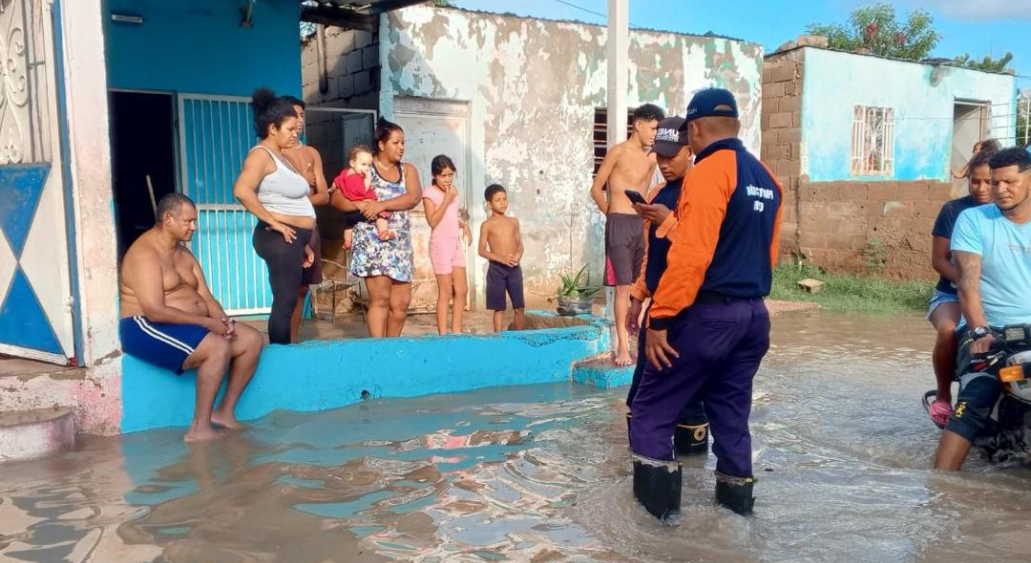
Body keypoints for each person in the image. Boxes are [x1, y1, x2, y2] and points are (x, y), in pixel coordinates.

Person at [628, 89, 782, 520]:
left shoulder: (709, 172)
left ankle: (656, 530)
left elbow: (691, 257)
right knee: (731, 419)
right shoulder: (769, 178)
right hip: (754, 317)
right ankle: (736, 523)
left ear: (694, 129)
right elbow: (769, 255)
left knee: (650, 410)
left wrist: (660, 319)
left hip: (707, 316)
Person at [119, 193, 264, 442]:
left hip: (183, 324)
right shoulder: (145, 254)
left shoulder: (184, 254)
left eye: (194, 221)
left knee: (251, 339)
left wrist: (223, 321)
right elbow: (154, 310)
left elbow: (206, 297)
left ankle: (224, 412)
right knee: (217, 347)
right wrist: (208, 323)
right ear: (168, 219)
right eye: (188, 221)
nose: (194, 227)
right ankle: (199, 428)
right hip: (142, 326)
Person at [934, 148, 1031, 471]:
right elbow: (967, 285)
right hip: (991, 332)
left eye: (1009, 182)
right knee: (977, 395)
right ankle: (940, 486)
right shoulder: (973, 219)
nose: (999, 189)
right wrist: (979, 331)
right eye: (994, 182)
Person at [624, 116, 708, 457]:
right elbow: (652, 253)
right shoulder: (658, 194)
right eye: (659, 156)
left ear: (690, 150)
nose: (664, 164)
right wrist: (637, 297)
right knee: (641, 393)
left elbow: (702, 253)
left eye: (671, 156)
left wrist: (669, 222)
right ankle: (640, 469)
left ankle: (694, 475)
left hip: (691, 310)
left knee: (690, 398)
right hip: (657, 307)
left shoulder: (702, 193)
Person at [232, 88, 315, 345]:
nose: (295, 132)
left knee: (288, 301)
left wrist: (304, 243)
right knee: (285, 302)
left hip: (291, 239)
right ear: (272, 128)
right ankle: (280, 356)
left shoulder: (280, 156)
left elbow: (293, 202)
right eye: (290, 129)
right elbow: (241, 190)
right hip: (277, 238)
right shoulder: (261, 155)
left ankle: (284, 353)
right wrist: (275, 222)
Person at [330, 118, 422, 338]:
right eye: (396, 143)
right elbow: (336, 199)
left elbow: (413, 197)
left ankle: (391, 347)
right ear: (381, 144)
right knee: (380, 299)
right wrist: (360, 205)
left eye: (403, 143)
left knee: (401, 303)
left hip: (399, 243)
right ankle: (378, 349)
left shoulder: (407, 170)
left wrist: (381, 205)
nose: (401, 147)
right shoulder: (364, 167)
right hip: (373, 244)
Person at [590, 104, 665, 367]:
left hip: (639, 224)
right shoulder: (618, 152)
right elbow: (596, 189)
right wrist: (611, 213)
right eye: (653, 128)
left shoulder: (653, 158)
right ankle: (622, 346)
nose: (655, 134)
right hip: (619, 223)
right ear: (638, 125)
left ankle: (634, 339)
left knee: (637, 286)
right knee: (622, 287)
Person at [926, 148, 996, 427]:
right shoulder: (954, 211)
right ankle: (943, 396)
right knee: (948, 330)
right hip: (952, 294)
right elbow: (938, 260)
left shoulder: (1008, 213)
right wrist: (969, 283)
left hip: (996, 295)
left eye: (989, 181)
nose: (982, 188)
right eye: (975, 181)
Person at [281, 96, 331, 344]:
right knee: (285, 289)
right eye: (294, 115)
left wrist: (302, 195)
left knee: (302, 288)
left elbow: (323, 195)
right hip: (283, 226)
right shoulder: (274, 153)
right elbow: (276, 196)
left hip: (308, 225)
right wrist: (303, 183)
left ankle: (293, 340)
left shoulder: (311, 153)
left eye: (301, 115)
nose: (299, 121)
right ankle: (281, 343)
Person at [423, 155, 472, 335]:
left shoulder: (454, 191)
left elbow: (450, 217)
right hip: (440, 245)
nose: (447, 179)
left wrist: (464, 225)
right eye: (443, 175)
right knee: (445, 291)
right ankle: (442, 334)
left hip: (455, 243)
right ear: (434, 175)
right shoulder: (429, 193)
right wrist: (446, 199)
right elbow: (433, 221)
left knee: (462, 290)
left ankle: (456, 331)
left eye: (450, 175)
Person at [478, 184, 525, 332]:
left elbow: (520, 245)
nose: (503, 203)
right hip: (496, 270)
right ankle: (498, 338)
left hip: (514, 269)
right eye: (498, 200)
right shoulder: (487, 225)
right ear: (489, 204)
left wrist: (518, 256)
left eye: (505, 199)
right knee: (499, 308)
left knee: (519, 307)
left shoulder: (513, 222)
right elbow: (481, 250)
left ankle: (519, 337)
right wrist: (501, 259)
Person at [332, 145, 394, 247]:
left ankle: (347, 242)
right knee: (382, 214)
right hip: (363, 207)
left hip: (350, 212)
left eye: (369, 166)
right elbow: (362, 191)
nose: (367, 168)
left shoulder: (344, 174)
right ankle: (383, 232)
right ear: (352, 163)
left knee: (348, 226)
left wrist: (331, 188)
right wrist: (367, 178)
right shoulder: (359, 178)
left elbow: (336, 182)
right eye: (363, 164)